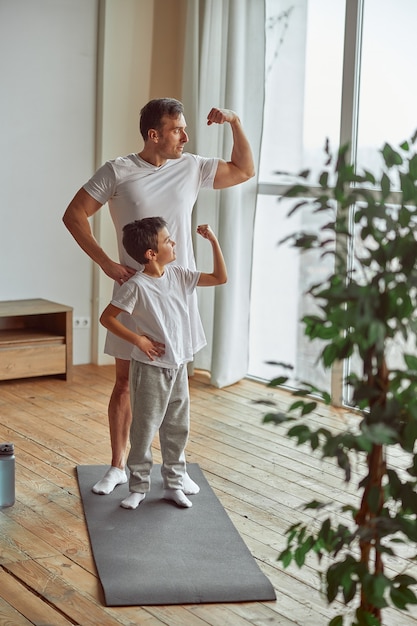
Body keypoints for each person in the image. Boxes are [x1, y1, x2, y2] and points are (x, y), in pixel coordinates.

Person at [63, 98, 254, 496]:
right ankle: (118, 466)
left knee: (177, 382)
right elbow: (75, 215)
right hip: (136, 292)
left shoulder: (193, 167)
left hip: (177, 293)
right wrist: (106, 263)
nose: (186, 136)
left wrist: (234, 121)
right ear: (154, 135)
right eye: (177, 130)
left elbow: (243, 170)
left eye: (184, 129)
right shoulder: (118, 171)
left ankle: (173, 468)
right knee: (124, 383)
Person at [99, 217, 227, 509]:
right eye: (168, 240)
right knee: (144, 429)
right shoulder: (136, 286)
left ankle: (173, 484)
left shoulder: (179, 275)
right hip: (150, 369)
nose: (174, 243)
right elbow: (106, 319)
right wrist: (138, 341)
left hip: (178, 366)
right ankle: (138, 487)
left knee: (177, 427)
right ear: (151, 254)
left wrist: (214, 242)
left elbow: (220, 278)